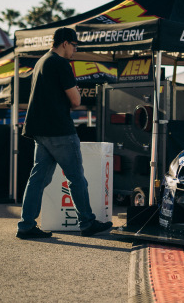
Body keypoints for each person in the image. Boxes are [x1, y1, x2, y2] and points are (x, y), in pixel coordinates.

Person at [16, 27, 112, 239]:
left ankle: (26, 225)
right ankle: (87, 223)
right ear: (65, 43)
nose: (75, 50)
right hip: (59, 130)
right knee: (76, 178)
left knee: (37, 179)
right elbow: (76, 100)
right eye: (74, 45)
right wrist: (75, 91)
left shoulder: (42, 61)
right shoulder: (60, 64)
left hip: (39, 130)